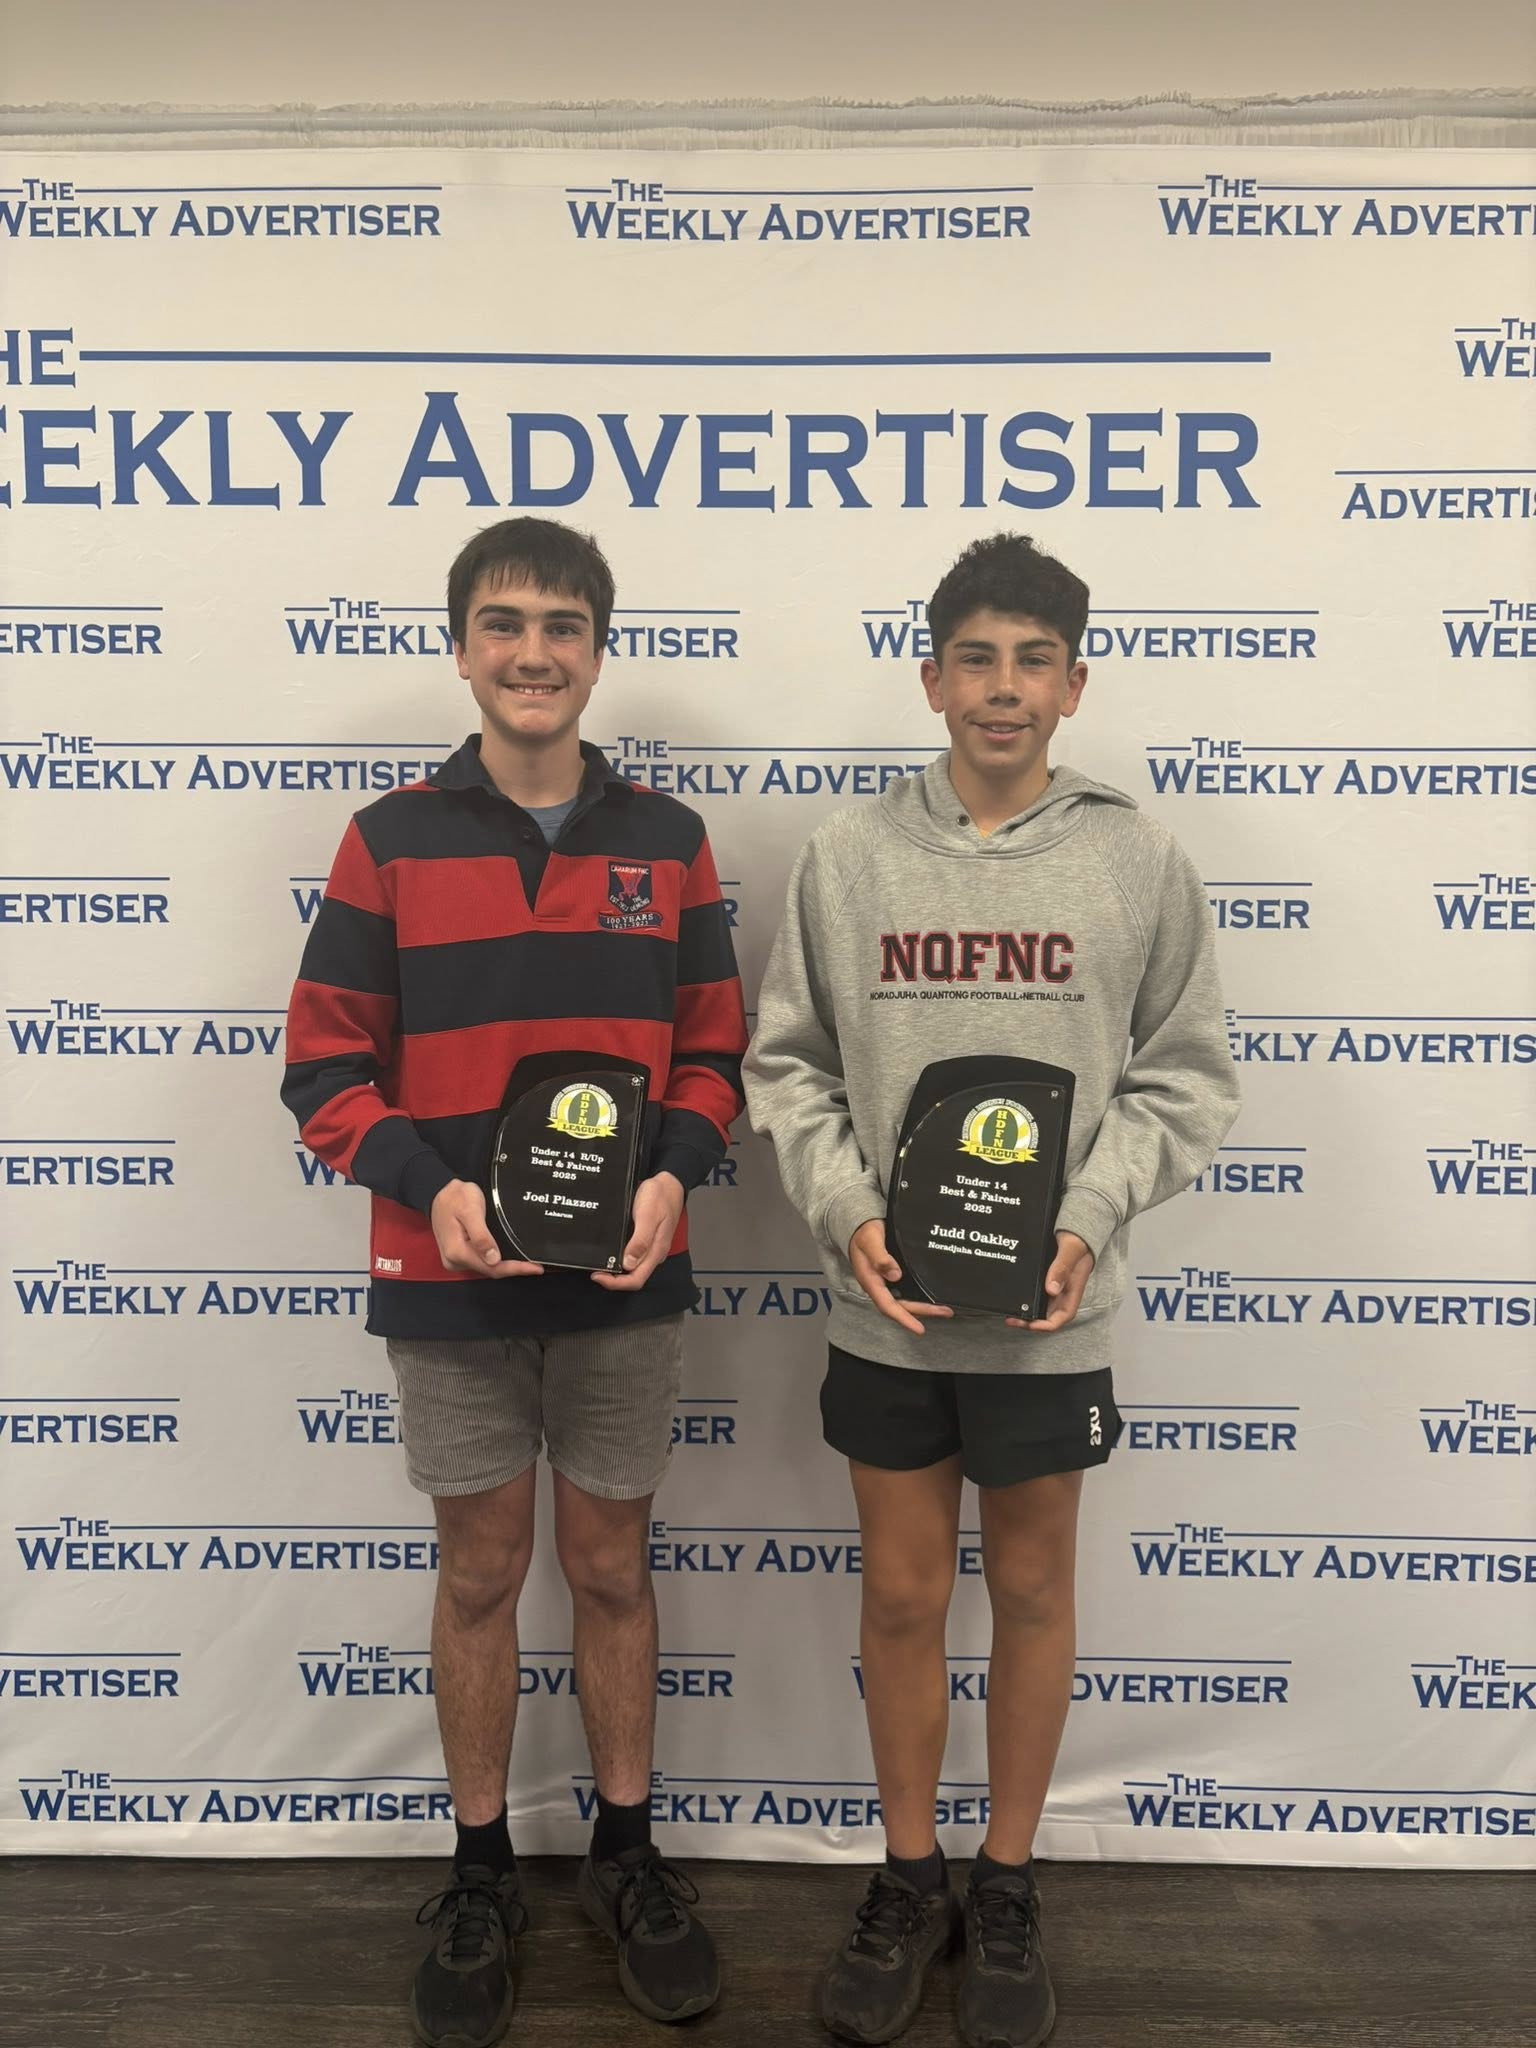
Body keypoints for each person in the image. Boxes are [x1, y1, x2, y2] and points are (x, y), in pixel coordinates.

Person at [743, 533, 1240, 2048]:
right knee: (902, 1598)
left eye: (1034, 661)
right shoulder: (849, 857)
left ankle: (1008, 1884)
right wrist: (845, 1212)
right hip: (887, 1310)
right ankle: (908, 1877)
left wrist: (1090, 1214)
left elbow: (1183, 1077)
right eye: (977, 659)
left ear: (1075, 684)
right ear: (931, 676)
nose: (1004, 689)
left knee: (1029, 1594)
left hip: (1051, 1315)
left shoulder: (1136, 858)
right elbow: (790, 1063)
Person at [282, 517, 746, 2046]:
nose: (533, 650)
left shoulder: (668, 842)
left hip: (626, 1279)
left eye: (561, 623)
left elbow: (714, 1052)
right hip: (451, 1280)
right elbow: (324, 1066)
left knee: (612, 1570)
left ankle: (625, 1851)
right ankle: (480, 1868)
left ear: (599, 649)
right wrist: (435, 1187)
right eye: (503, 623)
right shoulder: (389, 840)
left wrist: (676, 1172)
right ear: (464, 645)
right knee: (480, 1575)